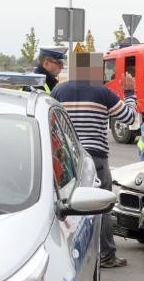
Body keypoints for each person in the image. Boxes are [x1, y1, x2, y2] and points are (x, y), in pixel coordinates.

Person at [51, 52, 137, 269]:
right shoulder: (102, 92)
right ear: (94, 70)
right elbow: (130, 118)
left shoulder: (59, 90)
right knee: (101, 207)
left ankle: (69, 256)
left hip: (67, 158)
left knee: (67, 206)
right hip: (95, 156)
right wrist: (129, 93)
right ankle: (106, 255)